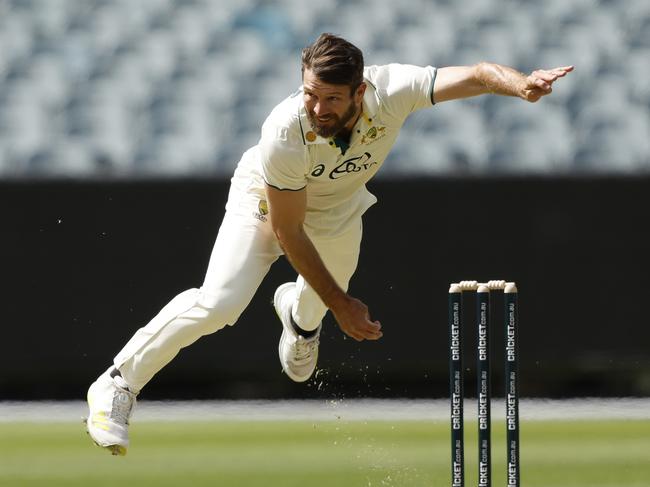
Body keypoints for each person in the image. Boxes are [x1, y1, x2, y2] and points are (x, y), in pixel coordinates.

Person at [85, 33, 572, 455]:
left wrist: (521, 85)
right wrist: (344, 305)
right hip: (265, 206)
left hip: (337, 211)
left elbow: (480, 74)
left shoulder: (393, 90)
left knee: (315, 309)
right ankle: (117, 383)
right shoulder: (284, 130)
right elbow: (288, 231)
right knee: (220, 304)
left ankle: (299, 320)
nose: (318, 109)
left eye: (332, 99)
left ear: (360, 91)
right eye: (310, 94)